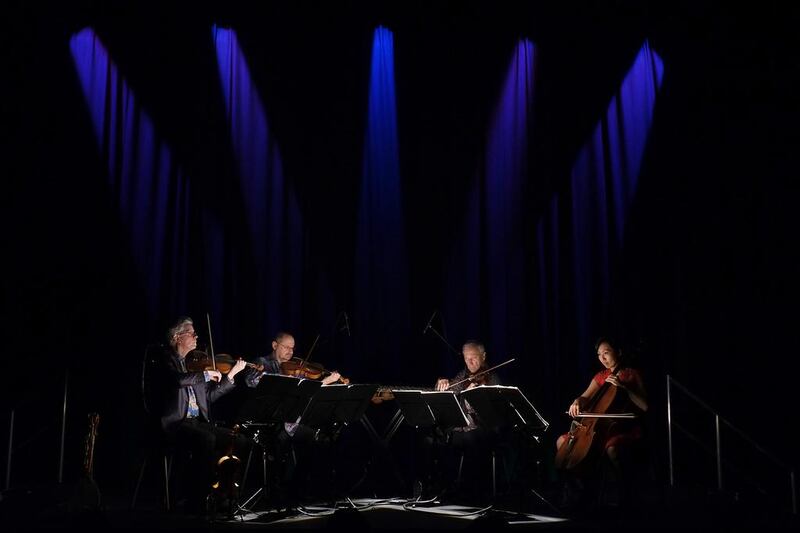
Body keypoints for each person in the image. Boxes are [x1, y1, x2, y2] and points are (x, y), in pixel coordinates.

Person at [157, 316, 248, 513]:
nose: (196, 336)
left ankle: (226, 493)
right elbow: (177, 381)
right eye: (191, 333)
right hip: (176, 423)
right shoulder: (166, 360)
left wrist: (230, 375)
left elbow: (209, 397)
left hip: (197, 422)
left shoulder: (196, 364)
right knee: (206, 439)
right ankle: (198, 499)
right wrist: (205, 375)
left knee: (239, 440)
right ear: (177, 337)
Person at [245, 331, 343, 508]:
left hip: (291, 422)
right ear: (275, 345)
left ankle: (296, 488)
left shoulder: (296, 368)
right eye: (286, 347)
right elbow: (250, 381)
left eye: (292, 348)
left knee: (319, 441)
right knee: (280, 443)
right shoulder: (262, 363)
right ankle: (276, 491)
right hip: (269, 421)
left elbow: (307, 390)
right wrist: (268, 379)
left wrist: (326, 381)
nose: (290, 352)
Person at [556, 336, 648, 510]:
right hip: (597, 428)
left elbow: (644, 406)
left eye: (606, 353)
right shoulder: (601, 376)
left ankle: (625, 495)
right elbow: (585, 396)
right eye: (599, 354)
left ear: (618, 352)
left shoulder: (631, 374)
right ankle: (579, 494)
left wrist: (625, 388)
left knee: (612, 448)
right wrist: (577, 402)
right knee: (562, 442)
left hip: (621, 427)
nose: (602, 358)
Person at [431, 340, 502, 503]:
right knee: (434, 440)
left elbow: (494, 413)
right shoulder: (463, 376)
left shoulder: (492, 378)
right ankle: (443, 487)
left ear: (483, 356)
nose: (470, 362)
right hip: (462, 429)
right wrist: (442, 383)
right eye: (466, 358)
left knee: (471, 439)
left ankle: (469, 491)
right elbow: (449, 390)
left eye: (474, 358)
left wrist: (477, 395)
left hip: (485, 430)